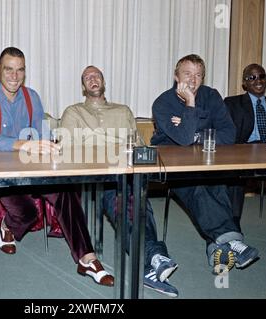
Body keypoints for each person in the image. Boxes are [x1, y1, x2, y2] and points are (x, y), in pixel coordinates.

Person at [0, 47, 114, 287]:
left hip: (34, 169)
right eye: (9, 69)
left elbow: (43, 133)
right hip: (3, 174)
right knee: (28, 215)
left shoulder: (32, 97)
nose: (14, 76)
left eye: (20, 70)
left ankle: (87, 258)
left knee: (67, 190)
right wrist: (27, 145)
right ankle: (7, 226)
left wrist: (50, 145)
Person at [60, 65, 179, 297]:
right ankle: (153, 257)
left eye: (97, 76)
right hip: (94, 175)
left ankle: (151, 262)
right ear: (83, 87)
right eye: (87, 78)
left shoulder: (123, 110)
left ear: (103, 82)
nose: (93, 79)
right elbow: (66, 149)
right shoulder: (73, 112)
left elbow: (138, 146)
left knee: (136, 198)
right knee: (123, 199)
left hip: (125, 171)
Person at [151, 54, 259, 274]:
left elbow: (229, 134)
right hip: (174, 165)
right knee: (198, 187)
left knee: (224, 182)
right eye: (187, 74)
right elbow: (182, 140)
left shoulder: (212, 96)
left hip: (208, 160)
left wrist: (195, 133)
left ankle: (218, 245)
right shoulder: (162, 103)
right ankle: (232, 240)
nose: (193, 80)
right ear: (175, 76)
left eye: (198, 75)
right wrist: (191, 105)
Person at [224, 64, 266, 228]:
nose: (258, 81)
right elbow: (228, 136)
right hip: (243, 156)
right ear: (244, 83)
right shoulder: (232, 104)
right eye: (252, 77)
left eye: (261, 76)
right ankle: (233, 226)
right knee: (235, 174)